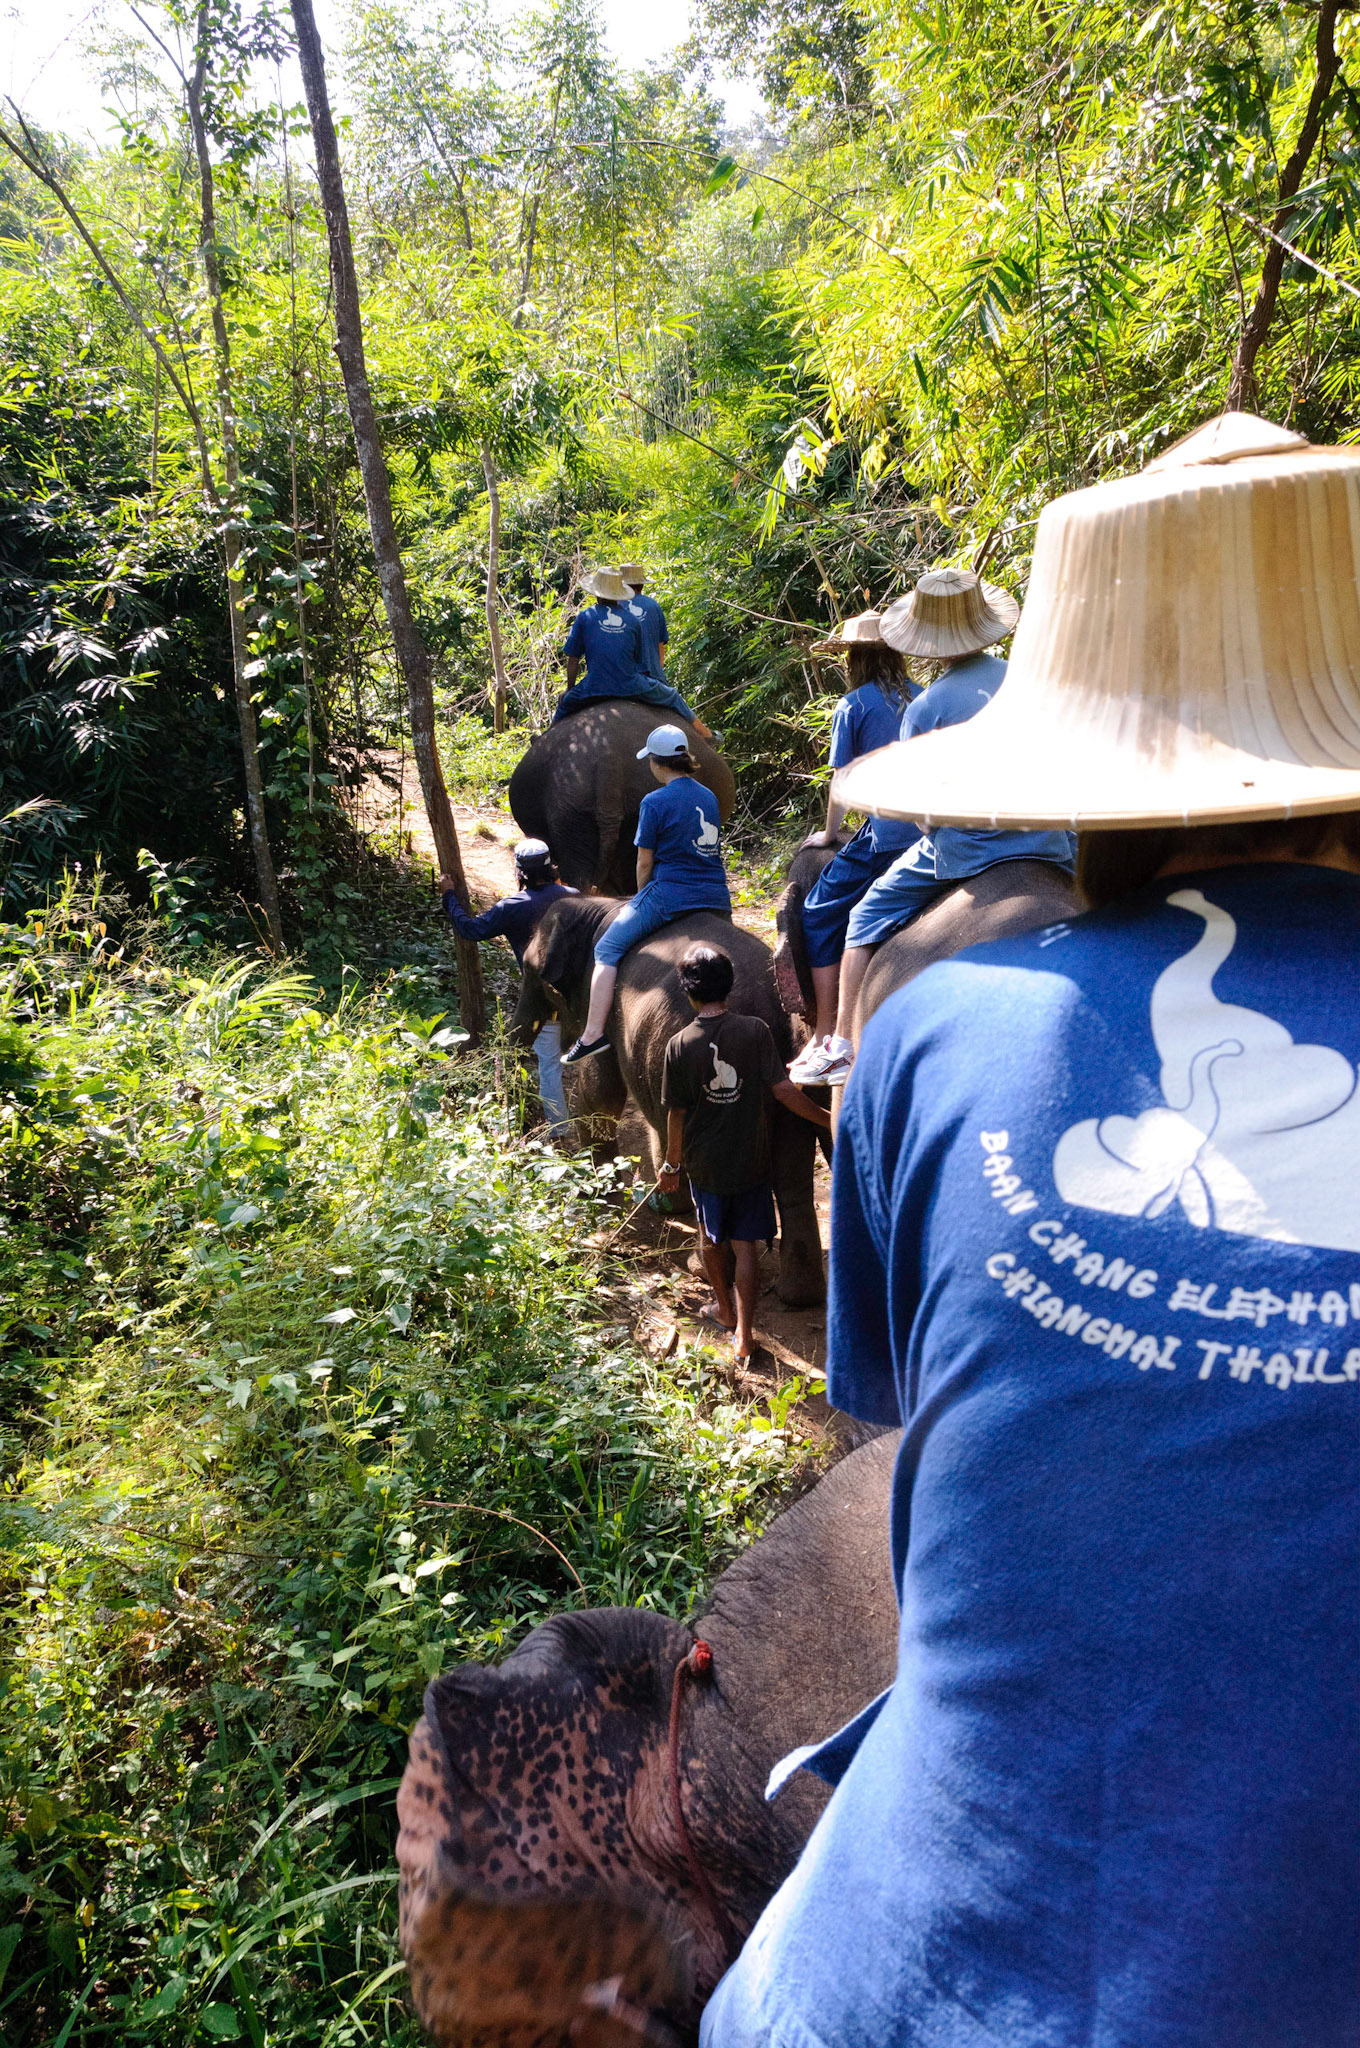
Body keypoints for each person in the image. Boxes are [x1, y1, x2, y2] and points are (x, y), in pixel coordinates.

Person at [700, 414, 1360, 2048]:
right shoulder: (929, 681)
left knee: (841, 938)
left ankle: (796, 1058)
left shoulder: (944, 1017)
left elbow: (905, 1471)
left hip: (850, 2000)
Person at [789, 567, 1075, 1087]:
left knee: (864, 917)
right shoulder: (1028, 679)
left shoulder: (928, 706)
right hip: (1050, 836)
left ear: (927, 640)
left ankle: (843, 1048)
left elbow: (919, 813)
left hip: (967, 849)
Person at [660, 943, 831, 1364]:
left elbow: (676, 1115)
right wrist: (829, 1119)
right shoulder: (755, 1031)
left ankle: (723, 1308)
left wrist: (671, 1165)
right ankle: (745, 1334)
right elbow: (784, 1091)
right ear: (730, 986)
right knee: (746, 1248)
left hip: (705, 1166)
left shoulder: (679, 1046)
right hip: (751, 1160)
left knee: (710, 1239)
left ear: (688, 992)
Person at [562, 724, 731, 1065]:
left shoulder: (654, 802)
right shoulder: (708, 796)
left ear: (657, 762)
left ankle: (592, 1034)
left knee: (606, 948)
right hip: (716, 896)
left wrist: (641, 897)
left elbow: (644, 861)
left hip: (670, 895)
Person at [793, 610, 919, 1050]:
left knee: (818, 912)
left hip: (888, 837)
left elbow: (842, 781)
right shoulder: (923, 695)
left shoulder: (854, 705)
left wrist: (830, 834)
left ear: (854, 659)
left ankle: (827, 1031)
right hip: (933, 833)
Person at [438, 838, 574, 1133]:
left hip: (543, 1003)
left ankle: (558, 1132)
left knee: (548, 1064)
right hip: (583, 1001)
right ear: (551, 867)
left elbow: (469, 929)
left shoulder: (512, 907)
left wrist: (449, 896)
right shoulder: (574, 897)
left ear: (519, 873)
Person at [554, 566, 712, 734]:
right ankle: (706, 734)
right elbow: (638, 661)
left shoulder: (585, 617)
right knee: (672, 696)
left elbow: (573, 659)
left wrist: (569, 690)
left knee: (564, 705)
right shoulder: (632, 619)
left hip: (594, 685)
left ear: (597, 592)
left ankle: (544, 739)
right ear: (619, 592)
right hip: (630, 684)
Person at [619, 560, 669, 680]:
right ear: (641, 584)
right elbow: (660, 650)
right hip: (651, 677)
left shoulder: (614, 605)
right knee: (675, 699)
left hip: (620, 677)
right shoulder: (654, 606)